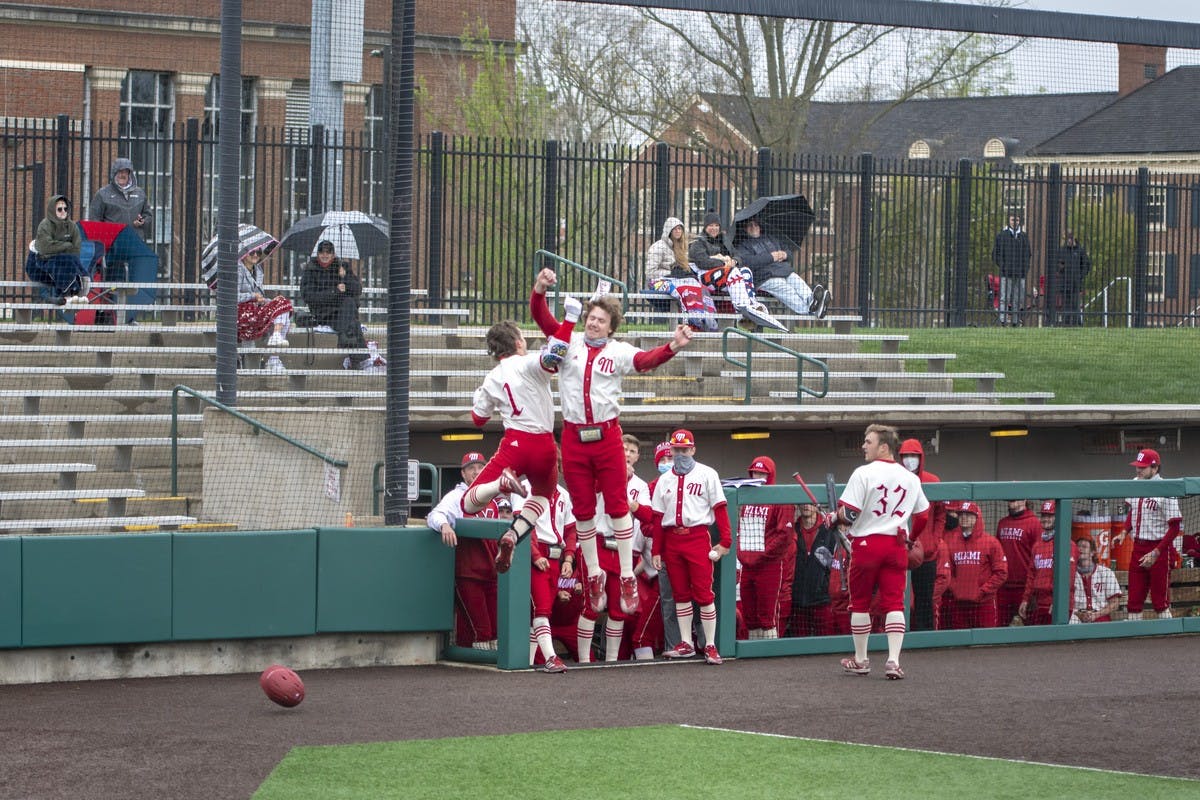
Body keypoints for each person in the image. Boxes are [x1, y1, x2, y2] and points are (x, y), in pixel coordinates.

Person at [530, 267, 693, 619]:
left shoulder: (618, 351)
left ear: (611, 326)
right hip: (574, 436)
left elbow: (645, 361)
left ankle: (625, 577)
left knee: (618, 506)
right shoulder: (567, 341)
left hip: (606, 436)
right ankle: (593, 574)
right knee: (584, 510)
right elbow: (542, 319)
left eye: (601, 320)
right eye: (591, 317)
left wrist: (674, 346)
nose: (593, 324)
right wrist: (540, 290)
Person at [459, 294, 581, 571]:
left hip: (515, 445)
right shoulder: (527, 363)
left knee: (469, 503)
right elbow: (555, 354)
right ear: (517, 343)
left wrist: (480, 395)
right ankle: (513, 534)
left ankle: (500, 487)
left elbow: (478, 419)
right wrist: (570, 318)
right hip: (545, 445)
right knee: (542, 495)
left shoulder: (492, 378)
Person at [835, 424, 929, 680]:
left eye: (868, 441)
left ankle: (862, 659)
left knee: (861, 604)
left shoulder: (863, 473)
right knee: (894, 603)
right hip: (897, 544)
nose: (863, 446)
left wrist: (834, 517)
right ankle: (893, 661)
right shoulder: (911, 477)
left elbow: (850, 514)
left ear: (884, 446)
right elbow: (922, 515)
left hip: (866, 545)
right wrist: (913, 538)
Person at [649, 429, 732, 665]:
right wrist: (657, 550)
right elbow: (657, 517)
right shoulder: (664, 480)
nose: (680, 454)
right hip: (672, 539)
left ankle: (710, 644)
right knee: (680, 594)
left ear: (693, 450)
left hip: (697, 537)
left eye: (684, 449)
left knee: (704, 594)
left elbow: (720, 508)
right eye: (676, 450)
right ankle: (685, 642)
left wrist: (725, 541)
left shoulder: (707, 474)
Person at [427, 451, 502, 651]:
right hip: (468, 574)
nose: (476, 472)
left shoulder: (493, 498)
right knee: (483, 631)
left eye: (480, 467)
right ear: (463, 474)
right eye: (471, 469)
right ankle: (480, 676)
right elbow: (435, 515)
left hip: (492, 574)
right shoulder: (457, 496)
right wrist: (445, 525)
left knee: (496, 630)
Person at [514, 482, 577, 674]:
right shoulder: (523, 488)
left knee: (543, 612)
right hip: (536, 552)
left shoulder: (563, 493)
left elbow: (571, 530)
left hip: (556, 557)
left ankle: (530, 661)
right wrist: (534, 554)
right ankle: (550, 657)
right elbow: (522, 523)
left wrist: (568, 557)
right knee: (541, 609)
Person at [687, 212, 787, 332]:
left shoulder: (724, 240)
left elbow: (738, 256)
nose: (714, 228)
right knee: (732, 272)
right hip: (705, 278)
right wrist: (723, 261)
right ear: (705, 227)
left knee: (745, 271)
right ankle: (743, 308)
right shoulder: (698, 243)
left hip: (724, 277)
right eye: (711, 225)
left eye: (716, 225)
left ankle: (752, 304)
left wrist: (733, 261)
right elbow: (703, 262)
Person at [1114, 449, 1183, 620]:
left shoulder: (1166, 489)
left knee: (1160, 602)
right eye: (1137, 466)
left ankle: (1169, 640)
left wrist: (1157, 552)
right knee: (1134, 601)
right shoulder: (1135, 482)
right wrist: (1124, 531)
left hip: (1159, 548)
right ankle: (1133, 640)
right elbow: (1133, 512)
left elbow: (1174, 527)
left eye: (1143, 467)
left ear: (1155, 468)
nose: (1138, 470)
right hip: (1138, 546)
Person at [735, 456, 796, 639]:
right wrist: (742, 554)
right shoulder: (747, 499)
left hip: (769, 565)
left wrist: (760, 554)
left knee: (767, 616)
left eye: (763, 473)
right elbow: (742, 529)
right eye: (755, 472)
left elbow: (783, 535)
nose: (758, 476)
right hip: (748, 565)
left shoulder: (780, 499)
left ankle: (769, 656)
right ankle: (754, 653)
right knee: (750, 615)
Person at [732, 216, 830, 319]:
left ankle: (812, 301)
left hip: (784, 271)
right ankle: (811, 311)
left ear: (760, 227)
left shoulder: (771, 239)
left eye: (755, 224)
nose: (753, 227)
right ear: (745, 229)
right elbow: (749, 262)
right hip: (765, 277)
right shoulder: (743, 246)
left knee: (796, 280)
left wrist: (784, 254)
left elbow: (790, 254)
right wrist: (771, 257)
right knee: (785, 288)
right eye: (750, 225)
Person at [299, 240, 375, 371]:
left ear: (333, 254)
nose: (325, 255)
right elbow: (309, 296)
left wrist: (345, 278)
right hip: (323, 312)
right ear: (318, 254)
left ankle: (351, 352)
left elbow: (357, 289)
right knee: (351, 318)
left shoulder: (342, 267)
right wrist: (335, 291)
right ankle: (360, 360)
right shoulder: (310, 270)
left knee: (349, 306)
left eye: (328, 252)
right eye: (322, 252)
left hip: (342, 311)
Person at [933, 501, 1008, 630]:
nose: (964, 518)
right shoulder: (950, 541)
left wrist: (983, 591)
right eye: (961, 515)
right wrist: (957, 590)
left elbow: (1001, 573)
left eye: (968, 515)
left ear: (976, 518)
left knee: (986, 642)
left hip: (985, 603)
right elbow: (948, 571)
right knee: (960, 642)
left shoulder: (990, 542)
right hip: (959, 604)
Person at [897, 438, 946, 632]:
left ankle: (925, 637)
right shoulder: (896, 480)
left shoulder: (933, 481)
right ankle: (898, 635)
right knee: (898, 598)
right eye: (906, 456)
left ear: (921, 457)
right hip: (899, 551)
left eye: (914, 456)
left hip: (926, 553)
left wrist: (934, 541)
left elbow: (941, 515)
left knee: (925, 598)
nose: (910, 460)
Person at [1019, 501, 1078, 626]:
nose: (1046, 519)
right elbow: (1031, 575)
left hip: (1059, 604)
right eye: (1044, 516)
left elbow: (1069, 578)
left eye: (1050, 516)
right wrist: (1025, 600)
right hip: (1039, 603)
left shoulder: (1068, 545)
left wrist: (1058, 602)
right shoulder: (1037, 545)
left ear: (1059, 518)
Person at [236, 245, 293, 370]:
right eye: (252, 252)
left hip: (256, 308)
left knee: (284, 304)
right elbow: (233, 296)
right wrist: (252, 296)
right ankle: (273, 358)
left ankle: (275, 353)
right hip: (241, 312)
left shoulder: (258, 270)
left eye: (258, 252)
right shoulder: (238, 269)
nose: (256, 255)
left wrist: (265, 300)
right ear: (244, 254)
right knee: (281, 306)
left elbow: (260, 295)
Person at [27, 194, 90, 305]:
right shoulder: (45, 225)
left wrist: (57, 248)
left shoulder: (72, 226)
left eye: (65, 209)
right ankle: (70, 292)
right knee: (64, 261)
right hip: (40, 265)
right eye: (59, 209)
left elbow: (76, 249)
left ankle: (73, 293)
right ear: (52, 210)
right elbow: (46, 248)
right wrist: (66, 245)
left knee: (69, 260)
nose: (63, 211)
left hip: (63, 264)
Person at [788, 501, 837, 637]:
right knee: (799, 644)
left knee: (827, 643)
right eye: (802, 502)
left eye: (810, 502)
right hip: (797, 599)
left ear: (817, 505)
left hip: (822, 598)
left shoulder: (829, 530)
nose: (806, 505)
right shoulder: (792, 529)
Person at [995, 499, 1041, 626]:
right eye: (1010, 500)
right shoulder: (1002, 523)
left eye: (1015, 500)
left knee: (1029, 625)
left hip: (1025, 587)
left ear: (1024, 500)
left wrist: (1033, 588)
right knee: (1000, 626)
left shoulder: (1034, 523)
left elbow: (1039, 556)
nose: (1011, 503)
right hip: (1003, 586)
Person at [87, 157, 152, 240]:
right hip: (112, 244)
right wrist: (105, 236)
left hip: (135, 242)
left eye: (125, 172)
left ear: (130, 174)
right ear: (114, 173)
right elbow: (94, 219)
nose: (122, 175)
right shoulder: (103, 194)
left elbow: (148, 215)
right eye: (120, 171)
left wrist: (142, 221)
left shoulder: (140, 194)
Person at [991, 213, 1031, 327]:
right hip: (1006, 273)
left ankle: (1015, 321)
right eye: (1013, 220)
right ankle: (1003, 320)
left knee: (1018, 299)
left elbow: (1028, 254)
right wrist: (1003, 266)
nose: (1015, 222)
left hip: (1020, 274)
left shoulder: (1023, 236)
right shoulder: (1002, 236)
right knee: (1005, 297)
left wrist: (1025, 268)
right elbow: (995, 254)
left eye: (1017, 220)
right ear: (1009, 220)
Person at [1071, 537, 1123, 624]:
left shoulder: (1106, 572)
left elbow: (1114, 603)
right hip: (1076, 617)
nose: (1080, 549)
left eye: (1084, 547)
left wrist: (1096, 615)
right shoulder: (1070, 573)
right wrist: (1079, 614)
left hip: (1100, 616)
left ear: (1092, 552)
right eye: (1078, 547)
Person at [1054, 230, 1091, 326]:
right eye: (1067, 239)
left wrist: (1080, 276)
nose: (1069, 241)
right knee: (1065, 305)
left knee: (1075, 304)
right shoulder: (1062, 250)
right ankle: (1066, 323)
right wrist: (1060, 268)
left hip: (1075, 283)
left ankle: (1076, 324)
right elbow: (1056, 264)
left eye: (1070, 239)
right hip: (1064, 282)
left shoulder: (1080, 251)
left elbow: (1086, 265)